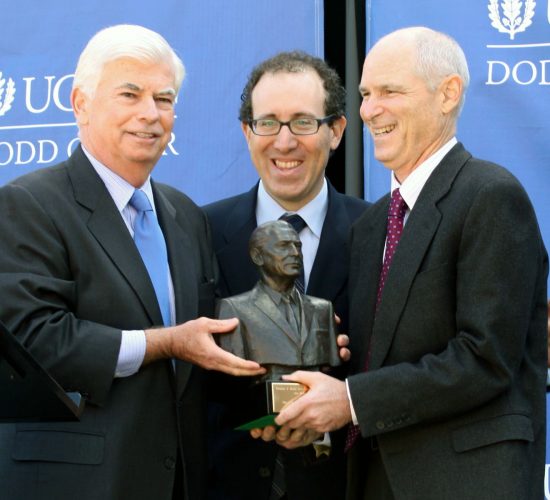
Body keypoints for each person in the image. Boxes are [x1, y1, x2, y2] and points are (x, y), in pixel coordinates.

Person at [268, 27, 549, 500]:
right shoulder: (372, 225)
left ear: (448, 94)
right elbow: (381, 361)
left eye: (389, 92)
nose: (369, 110)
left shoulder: (491, 196)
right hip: (375, 480)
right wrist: (314, 404)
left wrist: (350, 401)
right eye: (365, 94)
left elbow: (484, 358)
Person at [0, 24, 264, 500]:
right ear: (81, 103)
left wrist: (288, 380)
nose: (150, 114)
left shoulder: (186, 215)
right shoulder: (28, 205)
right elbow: (34, 342)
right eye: (130, 94)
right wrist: (166, 343)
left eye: (164, 99)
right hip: (76, 485)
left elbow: (203, 348)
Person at [203, 51, 370, 499]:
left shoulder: (379, 233)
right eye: (268, 122)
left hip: (348, 484)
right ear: (247, 131)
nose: (283, 142)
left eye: (302, 122)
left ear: (335, 131)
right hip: (227, 484)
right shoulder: (199, 231)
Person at [217, 220, 340, 380]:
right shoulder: (235, 309)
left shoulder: (322, 308)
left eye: (298, 246)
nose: (295, 253)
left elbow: (332, 361)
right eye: (284, 246)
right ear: (258, 256)